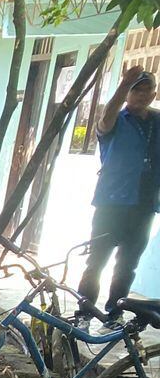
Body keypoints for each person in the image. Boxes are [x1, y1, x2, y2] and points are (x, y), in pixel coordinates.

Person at [77, 66, 160, 314]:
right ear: (127, 93)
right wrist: (124, 84)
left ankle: (115, 312)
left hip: (144, 206)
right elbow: (105, 119)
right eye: (136, 90)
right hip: (111, 203)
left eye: (147, 90)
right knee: (96, 261)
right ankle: (84, 312)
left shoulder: (157, 121)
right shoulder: (115, 121)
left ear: (154, 93)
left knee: (127, 265)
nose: (142, 95)